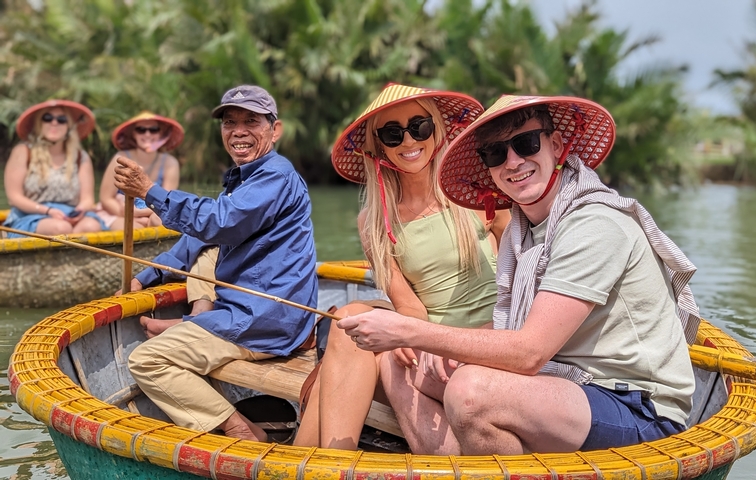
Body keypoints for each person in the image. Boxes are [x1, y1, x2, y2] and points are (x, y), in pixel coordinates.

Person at [337, 95, 702, 455]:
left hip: (635, 405)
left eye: (526, 144)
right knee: (404, 368)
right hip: (568, 382)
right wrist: (428, 345)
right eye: (496, 153)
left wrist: (412, 331)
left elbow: (529, 352)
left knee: (471, 392)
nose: (513, 162)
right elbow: (516, 322)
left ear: (556, 146)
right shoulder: (523, 230)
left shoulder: (593, 224)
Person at [292, 83, 509, 450]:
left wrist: (448, 345)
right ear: (378, 147)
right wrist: (412, 338)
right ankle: (329, 465)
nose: (408, 140)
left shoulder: (480, 192)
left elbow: (519, 288)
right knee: (348, 325)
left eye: (419, 126)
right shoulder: (373, 222)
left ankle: (303, 463)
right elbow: (410, 307)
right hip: (428, 344)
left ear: (437, 130)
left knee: (351, 332)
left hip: (492, 342)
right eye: (393, 133)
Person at [114, 85, 318, 441]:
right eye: (229, 122)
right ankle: (196, 322)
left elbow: (219, 221)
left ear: (276, 129)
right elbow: (201, 236)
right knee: (207, 252)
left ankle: (240, 430)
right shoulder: (245, 178)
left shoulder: (276, 175)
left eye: (251, 121)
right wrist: (147, 278)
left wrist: (150, 191)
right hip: (252, 310)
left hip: (265, 319)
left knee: (147, 360)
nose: (238, 130)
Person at [2, 100, 105, 238]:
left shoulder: (81, 157)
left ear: (69, 126)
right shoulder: (23, 151)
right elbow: (14, 198)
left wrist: (79, 211)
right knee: (60, 228)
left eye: (61, 119)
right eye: (47, 118)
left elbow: (87, 199)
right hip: (31, 214)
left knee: (91, 226)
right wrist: (48, 211)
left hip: (69, 214)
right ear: (39, 124)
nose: (54, 123)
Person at [97, 111, 183, 230]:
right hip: (119, 211)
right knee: (130, 228)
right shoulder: (120, 158)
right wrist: (127, 213)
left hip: (154, 212)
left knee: (158, 221)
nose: (147, 134)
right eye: (141, 129)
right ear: (134, 134)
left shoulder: (170, 163)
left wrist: (142, 214)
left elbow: (167, 202)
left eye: (153, 129)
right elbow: (106, 198)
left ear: (161, 133)